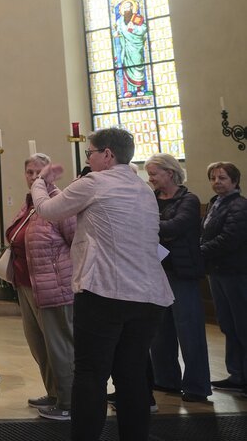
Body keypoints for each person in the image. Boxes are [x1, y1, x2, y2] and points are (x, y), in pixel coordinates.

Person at [31, 128, 173, 441]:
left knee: (90, 375)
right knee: (131, 375)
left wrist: (40, 182)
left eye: (90, 153)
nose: (88, 159)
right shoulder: (143, 189)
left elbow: (47, 211)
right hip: (149, 296)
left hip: (106, 293)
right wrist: (56, 189)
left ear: (107, 154)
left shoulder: (95, 182)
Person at [6, 153, 76, 422]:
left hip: (53, 286)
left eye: (39, 172)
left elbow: (76, 241)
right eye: (30, 172)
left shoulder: (60, 202)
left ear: (51, 174)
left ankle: (70, 401)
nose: (34, 177)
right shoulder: (29, 204)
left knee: (59, 345)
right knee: (39, 344)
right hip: (26, 284)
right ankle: (54, 392)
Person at [145, 153, 211, 402]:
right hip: (156, 271)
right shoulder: (151, 198)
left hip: (182, 272)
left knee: (189, 330)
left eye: (153, 174)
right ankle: (166, 379)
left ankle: (196, 386)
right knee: (159, 331)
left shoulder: (189, 200)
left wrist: (150, 226)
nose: (150, 179)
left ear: (170, 173)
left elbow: (175, 227)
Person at [200, 162, 247, 394]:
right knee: (228, 324)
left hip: (236, 272)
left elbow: (230, 238)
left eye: (222, 178)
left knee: (242, 325)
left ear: (235, 181)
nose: (216, 182)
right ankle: (236, 375)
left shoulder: (239, 205)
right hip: (218, 271)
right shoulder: (215, 203)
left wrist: (198, 251)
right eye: (213, 178)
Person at [113, 0, 148, 97]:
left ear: (132, 8)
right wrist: (116, 34)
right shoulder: (119, 21)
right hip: (125, 48)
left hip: (136, 47)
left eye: (128, 7)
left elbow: (144, 29)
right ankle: (127, 90)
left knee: (138, 66)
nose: (126, 9)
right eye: (124, 8)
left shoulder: (137, 18)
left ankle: (140, 89)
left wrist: (134, 29)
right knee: (125, 68)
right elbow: (118, 32)